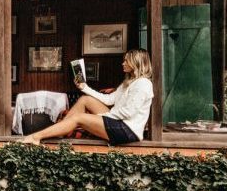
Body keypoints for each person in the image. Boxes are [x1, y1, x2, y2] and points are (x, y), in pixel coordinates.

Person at [21, 49, 154, 145]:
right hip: (119, 121)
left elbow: (128, 113)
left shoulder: (143, 84)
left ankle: (36, 137)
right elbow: (109, 100)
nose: (123, 63)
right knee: (85, 100)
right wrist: (84, 87)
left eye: (126, 60)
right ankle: (61, 129)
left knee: (79, 118)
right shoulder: (129, 82)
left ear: (136, 63)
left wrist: (98, 118)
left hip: (128, 130)